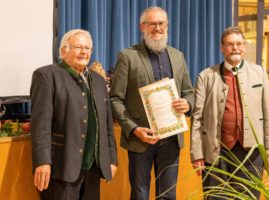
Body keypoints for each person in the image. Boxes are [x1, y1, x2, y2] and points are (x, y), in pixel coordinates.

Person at [109, 6, 194, 200]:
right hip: (141, 138)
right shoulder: (128, 56)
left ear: (167, 26)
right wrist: (134, 129)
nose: (157, 28)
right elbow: (115, 99)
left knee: (168, 194)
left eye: (161, 23)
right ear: (142, 26)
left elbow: (189, 92)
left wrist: (187, 104)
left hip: (172, 137)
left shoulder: (177, 56)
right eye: (152, 24)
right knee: (140, 194)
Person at [190, 26, 269, 199]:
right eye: (230, 44)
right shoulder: (206, 76)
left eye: (239, 44)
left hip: (251, 153)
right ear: (222, 48)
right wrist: (197, 154)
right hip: (216, 152)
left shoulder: (259, 73)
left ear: (244, 47)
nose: (235, 47)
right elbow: (197, 119)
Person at [30, 29, 118, 200]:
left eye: (87, 48)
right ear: (63, 51)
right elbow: (41, 125)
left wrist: (112, 159)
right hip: (61, 167)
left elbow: (107, 125)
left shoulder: (99, 81)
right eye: (78, 47)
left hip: (93, 167)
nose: (84, 52)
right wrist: (42, 161)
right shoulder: (46, 76)